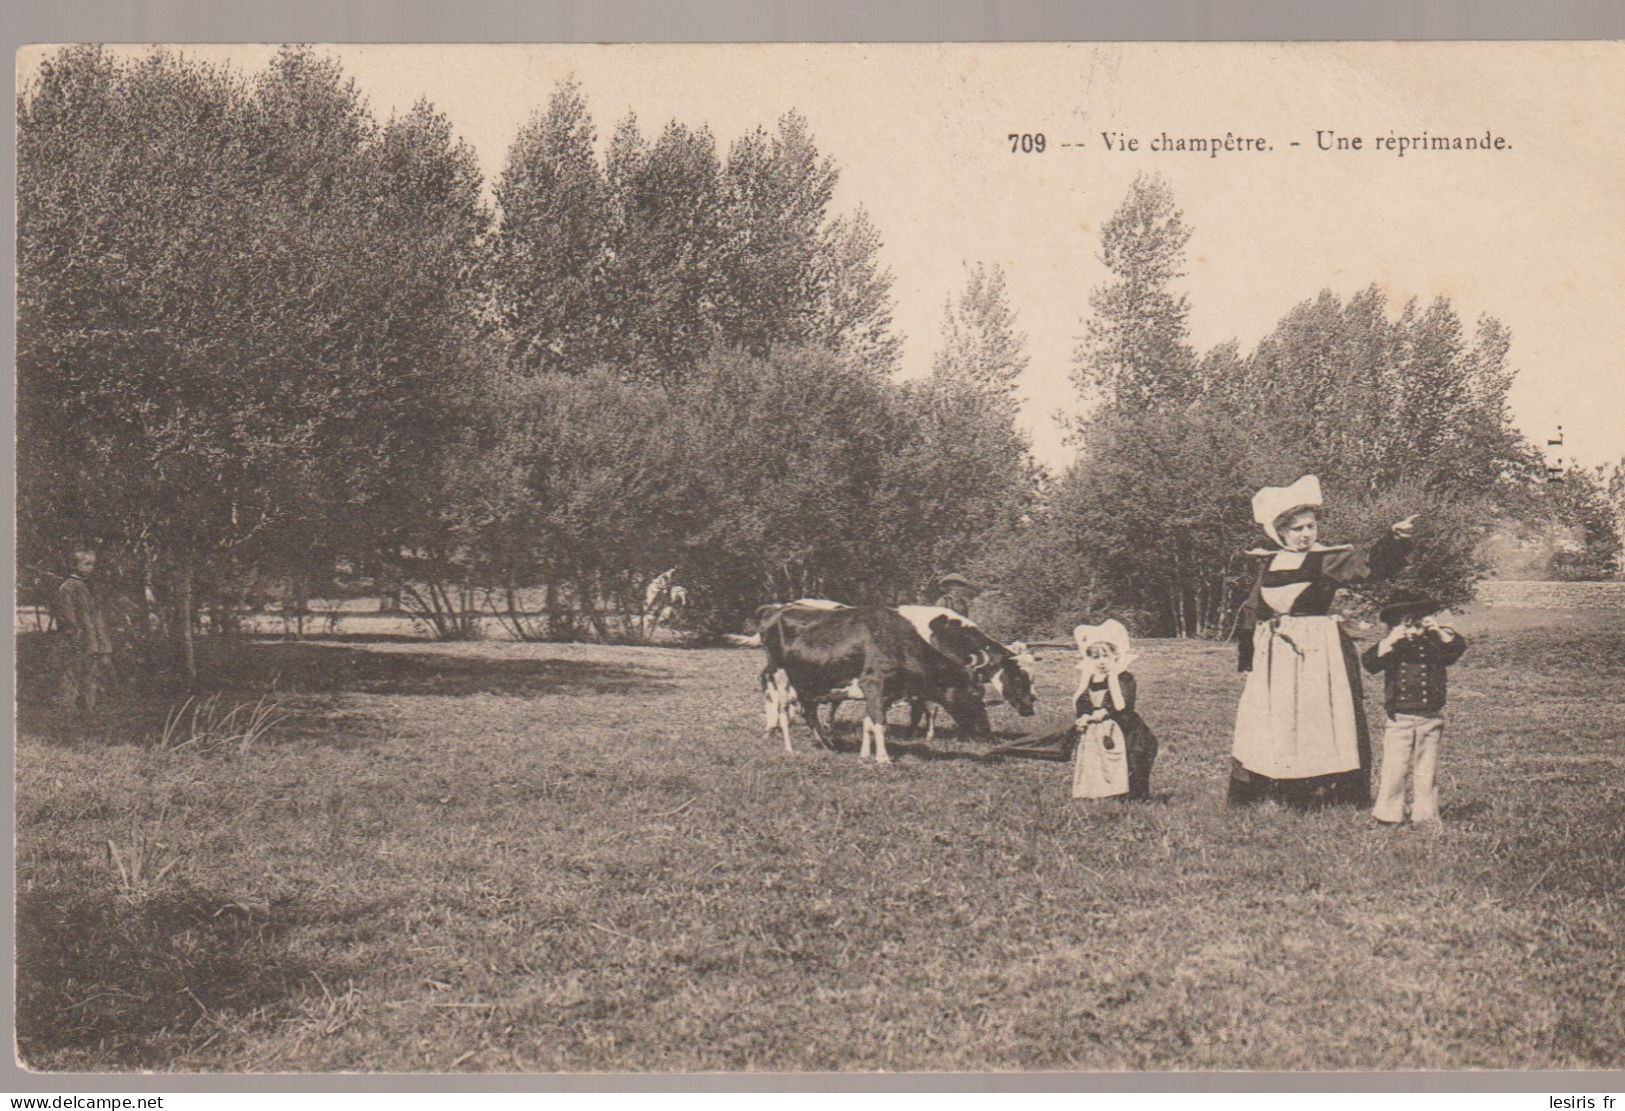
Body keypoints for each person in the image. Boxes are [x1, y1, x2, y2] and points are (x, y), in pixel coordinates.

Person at [1230, 475, 1416, 809]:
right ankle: (1277, 785)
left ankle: (1323, 789)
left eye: (1310, 527)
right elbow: (1253, 608)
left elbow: (1368, 567)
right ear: (1280, 532)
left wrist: (1394, 539)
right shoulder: (1269, 562)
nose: (1305, 534)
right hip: (1276, 654)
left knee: (1318, 715)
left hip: (1318, 652)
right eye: (1297, 529)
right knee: (1276, 716)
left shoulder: (1325, 558)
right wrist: (1248, 654)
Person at [1361, 592, 1467, 826]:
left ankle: (1425, 815)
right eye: (1404, 624)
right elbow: (1369, 663)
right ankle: (1388, 814)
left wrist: (1438, 630)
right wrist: (1389, 640)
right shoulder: (1392, 648)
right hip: (1399, 717)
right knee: (1394, 768)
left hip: (1430, 717)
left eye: (1417, 623)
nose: (1412, 630)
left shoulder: (1435, 644)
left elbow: (1457, 648)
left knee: (1426, 768)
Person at [1070, 619, 1158, 802]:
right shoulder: (1089, 678)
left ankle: (1133, 795)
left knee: (1133, 753)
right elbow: (1083, 699)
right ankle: (1099, 791)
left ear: (1115, 656)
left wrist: (1106, 711)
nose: (1101, 662)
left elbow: (1125, 701)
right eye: (1096, 657)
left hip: (1121, 723)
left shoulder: (1122, 677)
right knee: (1095, 759)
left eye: (1105, 656)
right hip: (1095, 725)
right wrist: (1084, 714)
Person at [52, 546, 116, 712]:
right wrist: (75, 630)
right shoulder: (68, 587)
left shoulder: (86, 585)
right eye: (86, 564)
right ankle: (67, 706)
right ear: (74, 565)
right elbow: (68, 614)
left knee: (91, 670)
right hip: (78, 636)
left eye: (92, 564)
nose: (90, 568)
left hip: (91, 637)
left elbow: (94, 613)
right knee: (72, 670)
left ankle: (88, 706)